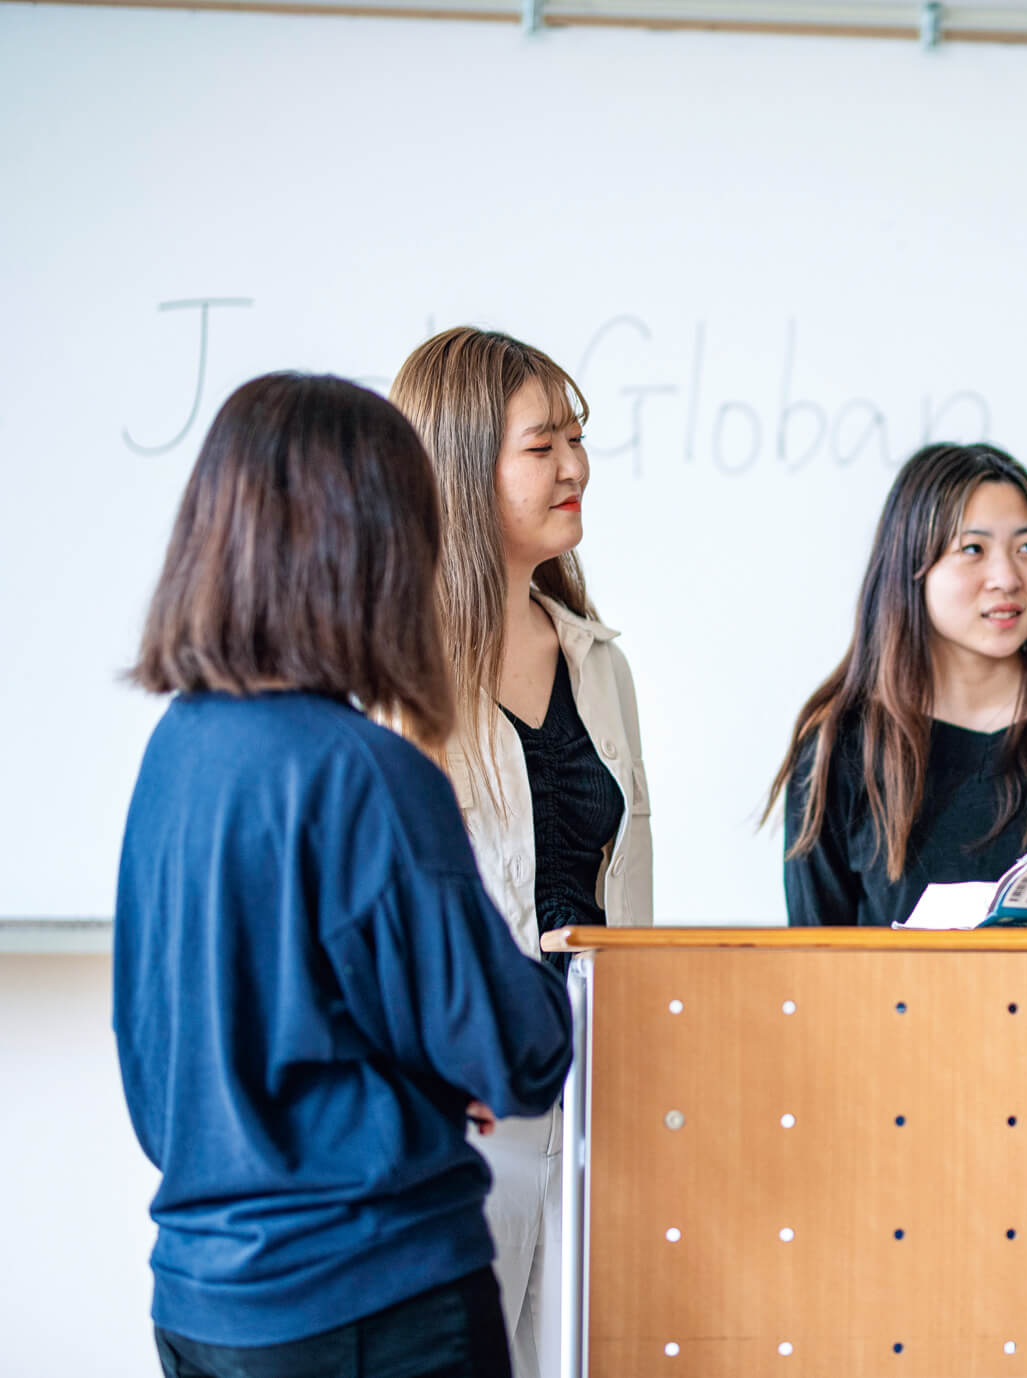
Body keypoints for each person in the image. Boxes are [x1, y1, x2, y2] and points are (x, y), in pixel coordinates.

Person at [114, 373, 573, 1378]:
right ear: (365, 547)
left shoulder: (177, 752)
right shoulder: (368, 774)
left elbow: (171, 1057)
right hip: (376, 1299)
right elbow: (517, 1054)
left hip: (203, 1301)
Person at [390, 326, 652, 1378]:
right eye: (543, 444)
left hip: (596, 1104)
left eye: (577, 438)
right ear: (461, 467)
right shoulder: (390, 670)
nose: (575, 466)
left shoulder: (598, 660)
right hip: (457, 1120)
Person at [771, 441, 1027, 927]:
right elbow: (815, 958)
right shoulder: (841, 738)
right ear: (910, 567)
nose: (1006, 577)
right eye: (973, 549)